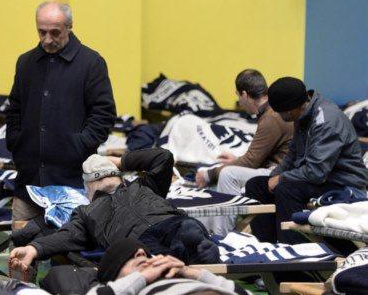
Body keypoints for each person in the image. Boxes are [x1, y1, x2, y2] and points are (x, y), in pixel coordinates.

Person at [9, 148, 220, 273]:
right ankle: (190, 260)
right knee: (169, 248)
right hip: (145, 239)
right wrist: (34, 248)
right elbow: (66, 236)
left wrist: (121, 161)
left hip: (160, 230)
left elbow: (163, 157)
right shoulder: (86, 212)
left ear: (89, 185)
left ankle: (194, 258)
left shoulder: (143, 186)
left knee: (185, 236)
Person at [6, 1, 116, 228]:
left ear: (69, 27)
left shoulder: (91, 63)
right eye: (41, 32)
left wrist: (79, 145)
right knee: (20, 246)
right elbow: (15, 109)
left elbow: (104, 114)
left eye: (55, 33)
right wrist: (17, 142)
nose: (47, 39)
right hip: (29, 181)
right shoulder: (26, 62)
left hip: (72, 182)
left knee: (68, 246)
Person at [245, 77, 368, 244]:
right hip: (321, 178)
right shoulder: (303, 113)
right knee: (256, 186)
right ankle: (268, 246)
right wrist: (273, 177)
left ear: (289, 111)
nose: (279, 116)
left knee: (286, 189)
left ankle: (295, 253)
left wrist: (281, 178)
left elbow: (316, 172)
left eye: (279, 112)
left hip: (343, 182)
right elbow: (292, 155)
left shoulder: (326, 120)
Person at [196, 69, 292, 235]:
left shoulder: (271, 117)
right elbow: (257, 156)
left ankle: (222, 235)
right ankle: (211, 230)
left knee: (227, 175)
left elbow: (250, 162)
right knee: (226, 172)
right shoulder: (271, 112)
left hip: (278, 174)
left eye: (238, 96)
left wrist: (209, 174)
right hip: (277, 169)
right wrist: (236, 160)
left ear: (245, 95)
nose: (239, 102)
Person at [85, 239, 249, 295]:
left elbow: (242, 293)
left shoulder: (184, 278)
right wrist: (142, 278)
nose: (141, 253)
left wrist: (190, 272)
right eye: (128, 256)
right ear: (114, 277)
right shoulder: (120, 289)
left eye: (146, 256)